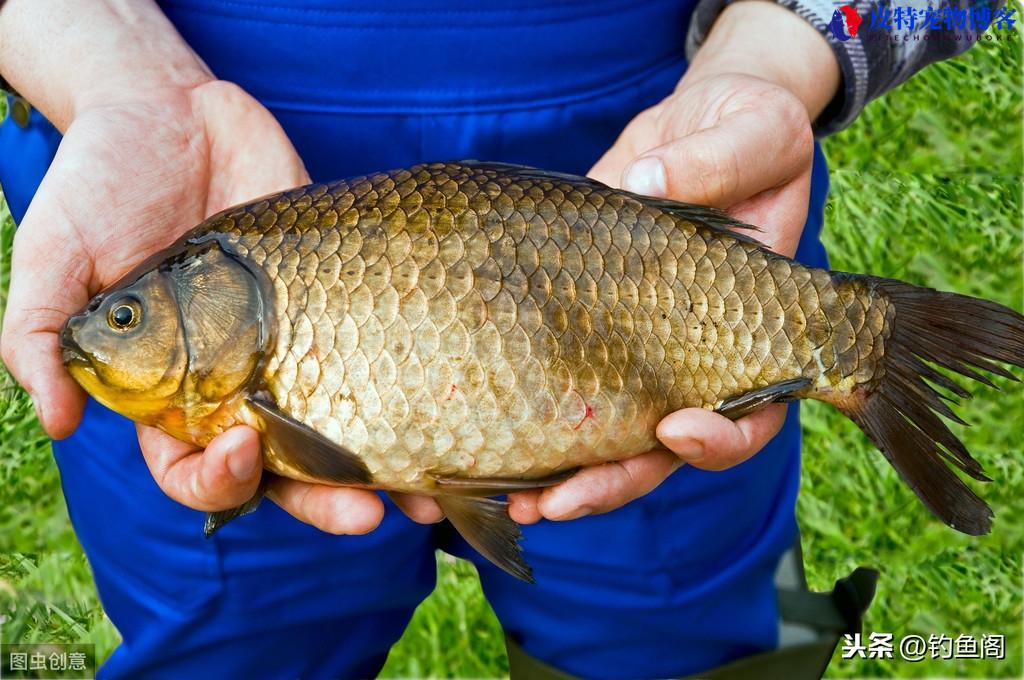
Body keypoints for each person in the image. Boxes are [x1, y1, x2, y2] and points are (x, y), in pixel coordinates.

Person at [0, 0, 1002, 677]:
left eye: (127, 314)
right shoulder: (200, 315)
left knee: (681, 633)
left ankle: (863, 348)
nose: (110, 327)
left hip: (661, 155)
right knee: (232, 642)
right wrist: (96, 59)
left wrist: (780, 47)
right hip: (174, 158)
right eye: (126, 317)